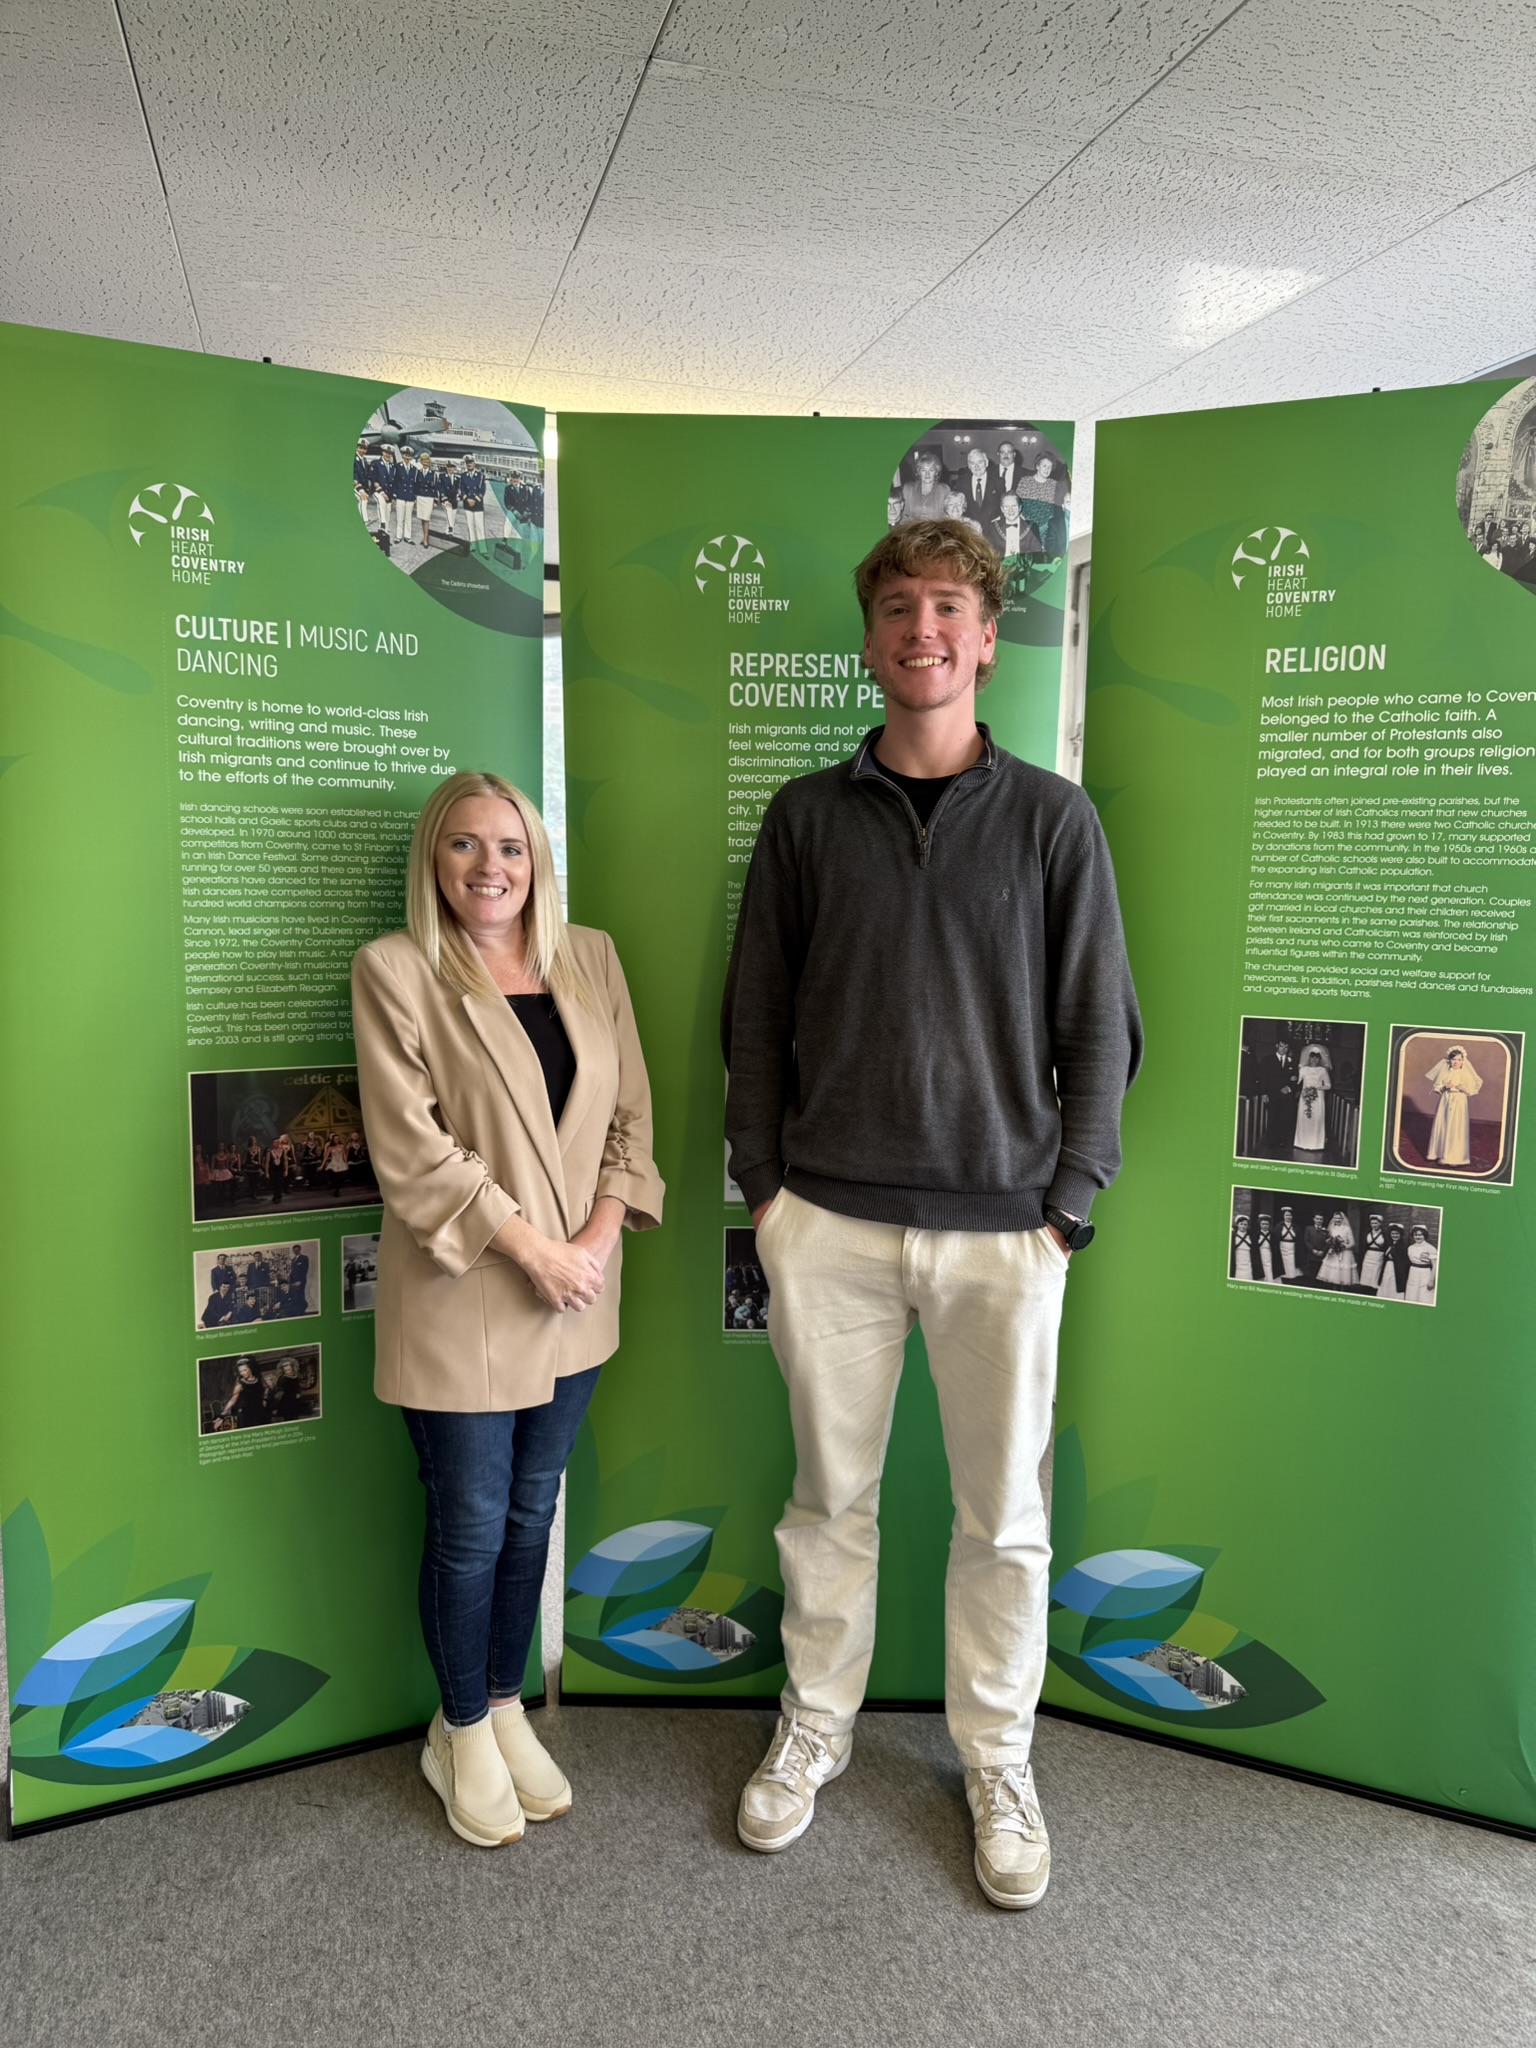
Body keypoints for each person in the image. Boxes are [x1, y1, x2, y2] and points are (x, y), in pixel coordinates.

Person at [722, 517, 1141, 1910]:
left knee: (1002, 1522)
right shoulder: (804, 816)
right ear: (871, 639)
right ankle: (817, 1730)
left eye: (950, 607)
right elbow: (757, 1015)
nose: (923, 631)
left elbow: (1100, 1028)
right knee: (828, 1502)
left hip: (1005, 1232)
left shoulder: (1051, 819)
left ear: (987, 637)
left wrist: (1066, 1208)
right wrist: (766, 1193)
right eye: (899, 607)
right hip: (827, 1226)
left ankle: (998, 1762)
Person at [352, 769, 664, 1851]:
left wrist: (595, 1239)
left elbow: (631, 1117)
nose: (491, 868)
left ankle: (504, 1702)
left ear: (539, 857)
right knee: (473, 1520)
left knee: (534, 1510)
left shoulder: (594, 959)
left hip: (578, 1287)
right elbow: (413, 1150)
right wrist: (534, 1247)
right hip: (465, 1293)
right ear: (432, 864)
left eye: (512, 845)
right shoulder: (396, 972)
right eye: (464, 846)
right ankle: (462, 1725)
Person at [1425, 1046, 1481, 1166]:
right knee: (1443, 1124)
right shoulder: (1446, 1072)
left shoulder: (1465, 1074)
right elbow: (1437, 1087)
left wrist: (1463, 1088)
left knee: (1456, 1127)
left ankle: (1454, 1157)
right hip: (1446, 1099)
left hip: (1459, 1101)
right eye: (1453, 1059)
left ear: (1463, 1061)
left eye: (1459, 1060)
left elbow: (1472, 1089)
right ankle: (1440, 1153)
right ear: (1449, 1060)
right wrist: (1445, 1087)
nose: (1456, 1062)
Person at [1293, 1044, 1331, 1152]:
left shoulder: (1322, 1070)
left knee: (1316, 1119)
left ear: (1319, 1059)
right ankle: (1302, 1142)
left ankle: (1316, 1143)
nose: (1314, 1060)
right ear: (1308, 1058)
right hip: (1305, 1096)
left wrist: (1317, 1088)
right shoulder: (1303, 1069)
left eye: (1316, 1057)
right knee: (1304, 1117)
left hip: (1318, 1097)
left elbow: (1328, 1085)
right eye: (1312, 1057)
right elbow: (1297, 1082)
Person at [901, 448, 950, 522]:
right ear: (918, 472)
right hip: (911, 530)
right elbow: (903, 515)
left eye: (931, 470)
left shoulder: (944, 490)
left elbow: (948, 516)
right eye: (923, 470)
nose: (927, 474)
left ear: (936, 472)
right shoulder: (908, 488)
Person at [220, 1357, 267, 1428]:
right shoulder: (240, 1384)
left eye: (244, 1370)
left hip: (260, 1410)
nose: (242, 1373)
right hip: (247, 1413)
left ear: (250, 1369)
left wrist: (264, 1399)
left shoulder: (258, 1379)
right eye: (240, 1371)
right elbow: (233, 1400)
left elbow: (265, 1388)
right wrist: (222, 1415)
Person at [1316, 1211, 1357, 1288]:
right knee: (1334, 1273)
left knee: (1343, 1273)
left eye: (1339, 1218)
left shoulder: (1347, 1229)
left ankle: (1342, 1290)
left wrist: (1343, 1246)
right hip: (1334, 1253)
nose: (1337, 1220)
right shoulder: (1331, 1228)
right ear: (1333, 1219)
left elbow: (1352, 1243)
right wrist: (1330, 1242)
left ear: (1342, 1219)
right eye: (1335, 1218)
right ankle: (1334, 1289)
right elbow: (1329, 1239)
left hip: (1345, 1254)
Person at [1376, 1222, 1410, 1300]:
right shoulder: (1389, 1245)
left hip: (1396, 1270)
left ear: (1400, 1234)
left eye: (1397, 1234)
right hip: (1388, 1267)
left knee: (1393, 1284)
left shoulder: (1403, 1246)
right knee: (1386, 1282)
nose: (1394, 1235)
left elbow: (1403, 1262)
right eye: (1393, 1234)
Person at [1405, 1226, 1438, 1303]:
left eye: (1420, 1235)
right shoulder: (1410, 1248)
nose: (1417, 1237)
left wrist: (1431, 1281)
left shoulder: (1430, 1248)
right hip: (1413, 1273)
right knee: (1411, 1295)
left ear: (1424, 1235)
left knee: (1424, 1296)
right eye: (1415, 1235)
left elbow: (1435, 1265)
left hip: (1425, 1274)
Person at [1358, 1214, 1387, 1291]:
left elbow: (1387, 1245)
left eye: (1376, 1223)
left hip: (1379, 1256)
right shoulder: (1367, 1233)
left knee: (1376, 1273)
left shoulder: (1384, 1234)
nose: (1374, 1225)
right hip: (1368, 1255)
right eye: (1372, 1223)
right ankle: (1366, 1290)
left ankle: (1374, 1291)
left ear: (1380, 1223)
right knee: (1367, 1273)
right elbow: (1363, 1245)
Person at [1302, 1211, 1329, 1281]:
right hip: (1311, 1255)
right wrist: (1312, 1250)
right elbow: (1306, 1241)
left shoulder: (1326, 1230)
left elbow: (1328, 1242)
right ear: (1314, 1219)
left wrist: (1323, 1251)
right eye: (1317, 1219)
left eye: (1320, 1219)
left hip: (1321, 1255)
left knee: (1320, 1274)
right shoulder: (1308, 1228)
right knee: (1312, 1274)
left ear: (1323, 1220)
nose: (1319, 1221)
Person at [287, 1244, 310, 1314]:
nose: (295, 1251)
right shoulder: (293, 1259)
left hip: (300, 1282)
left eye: (297, 1250)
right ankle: (297, 1311)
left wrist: (300, 1281)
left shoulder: (304, 1258)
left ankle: (302, 1311)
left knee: (301, 1296)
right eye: (294, 1250)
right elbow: (293, 1271)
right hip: (293, 1282)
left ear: (300, 1250)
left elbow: (304, 1270)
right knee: (295, 1296)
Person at [1277, 1204, 1299, 1279]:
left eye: (1290, 1215)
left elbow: (1299, 1239)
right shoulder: (1279, 1226)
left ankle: (1291, 1278)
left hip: (1292, 1247)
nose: (1288, 1217)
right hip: (1282, 1247)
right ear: (1283, 1216)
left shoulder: (1295, 1227)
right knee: (1283, 1262)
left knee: (1291, 1262)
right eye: (1286, 1215)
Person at [1230, 1211, 1253, 1280]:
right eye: (1241, 1224)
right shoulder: (1233, 1236)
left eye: (1245, 1225)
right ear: (1237, 1224)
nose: (1243, 1226)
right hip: (1237, 1261)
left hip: (1248, 1262)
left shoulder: (1250, 1236)